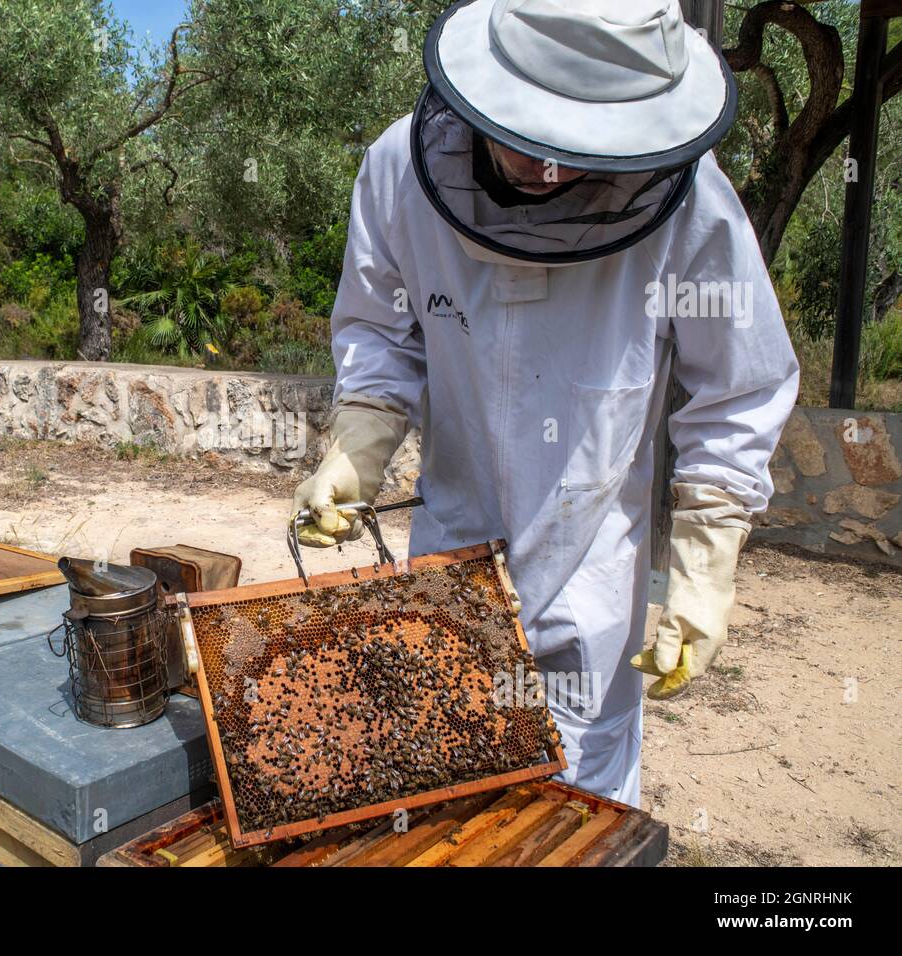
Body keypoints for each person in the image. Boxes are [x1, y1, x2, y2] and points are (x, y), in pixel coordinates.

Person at [290, 0, 799, 806]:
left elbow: (740, 389)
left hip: (593, 584)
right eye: (533, 140)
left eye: (580, 149)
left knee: (576, 819)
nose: (551, 171)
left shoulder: (692, 207)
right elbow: (383, 333)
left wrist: (704, 569)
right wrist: (355, 450)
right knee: (446, 793)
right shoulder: (399, 171)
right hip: (452, 560)